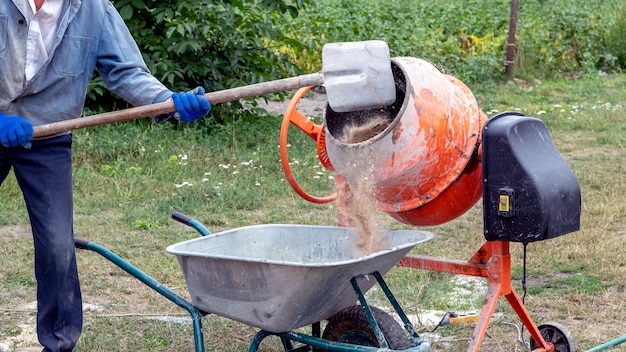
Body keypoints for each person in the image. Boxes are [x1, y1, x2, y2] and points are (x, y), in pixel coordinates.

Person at [0, 0, 211, 351]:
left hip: (48, 134)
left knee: (57, 248)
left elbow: (126, 71)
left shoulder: (94, 9)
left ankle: (58, 344)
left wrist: (168, 101)